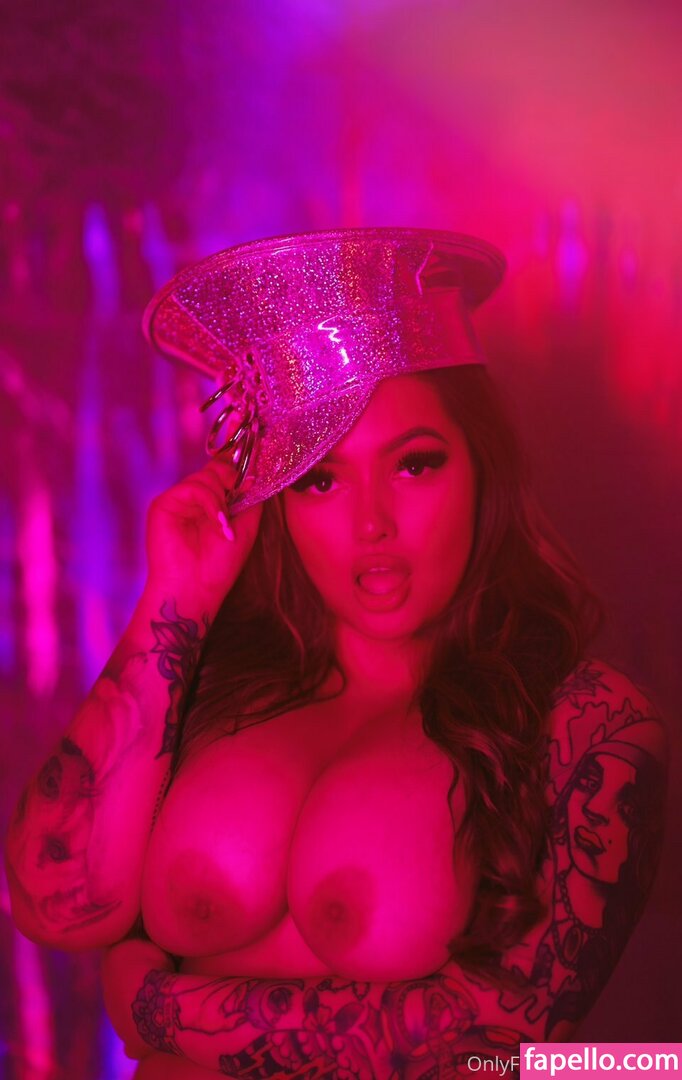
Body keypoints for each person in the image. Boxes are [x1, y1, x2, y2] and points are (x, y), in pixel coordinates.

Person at [5, 228, 667, 1078]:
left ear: (483, 469)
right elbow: (53, 905)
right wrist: (176, 601)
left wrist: (161, 1007)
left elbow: (508, 1039)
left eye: (414, 466)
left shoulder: (587, 725)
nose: (370, 523)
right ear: (279, 500)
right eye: (321, 478)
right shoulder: (212, 692)